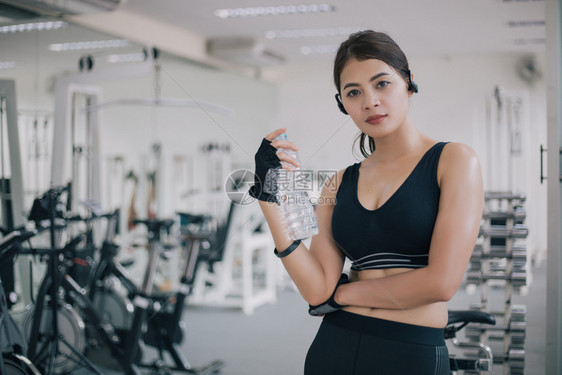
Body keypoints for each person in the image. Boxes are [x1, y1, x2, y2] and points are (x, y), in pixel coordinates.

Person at [248, 30, 483, 375]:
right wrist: (267, 197)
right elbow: (316, 290)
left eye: (381, 84)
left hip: (411, 349)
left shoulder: (454, 160)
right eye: (354, 92)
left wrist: (341, 296)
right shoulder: (338, 181)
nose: (370, 101)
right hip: (334, 346)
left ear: (409, 83)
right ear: (343, 104)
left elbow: (441, 283)